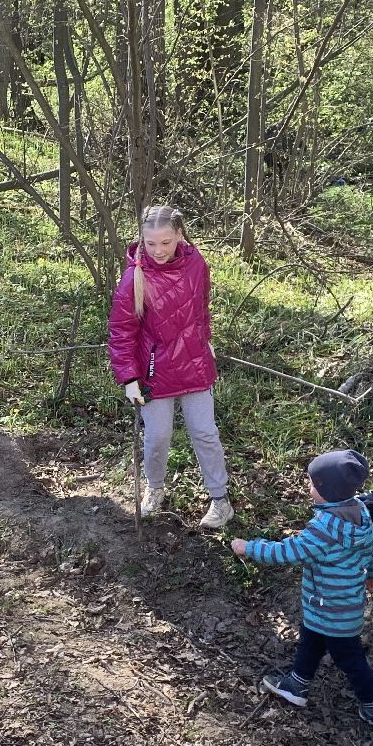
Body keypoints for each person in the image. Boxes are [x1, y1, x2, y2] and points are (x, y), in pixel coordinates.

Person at [233, 448, 373, 732]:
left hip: (331, 609)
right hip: (339, 606)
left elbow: (287, 551)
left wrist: (249, 547)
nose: (308, 487)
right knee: (311, 639)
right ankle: (297, 684)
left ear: (326, 491)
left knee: (351, 659)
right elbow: (372, 548)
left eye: (312, 483)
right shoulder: (360, 513)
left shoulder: (324, 530)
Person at [108, 204, 233, 529]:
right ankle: (155, 488)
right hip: (154, 372)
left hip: (194, 363)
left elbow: (201, 308)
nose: (158, 250)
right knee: (158, 436)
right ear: (142, 238)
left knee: (205, 433)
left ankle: (220, 500)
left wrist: (205, 340)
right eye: (150, 243)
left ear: (179, 235)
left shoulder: (196, 264)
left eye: (165, 242)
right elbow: (121, 332)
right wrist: (129, 377)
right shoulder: (134, 276)